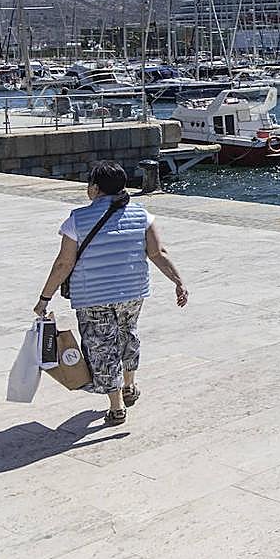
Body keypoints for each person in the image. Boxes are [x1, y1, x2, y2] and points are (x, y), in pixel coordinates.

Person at [33, 161, 189, 426]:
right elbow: (157, 253)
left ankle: (116, 407)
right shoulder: (142, 215)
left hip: (93, 296)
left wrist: (44, 298)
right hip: (132, 291)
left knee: (102, 348)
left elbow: (63, 263)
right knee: (128, 334)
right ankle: (130, 385)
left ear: (94, 188)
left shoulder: (77, 220)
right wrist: (178, 281)